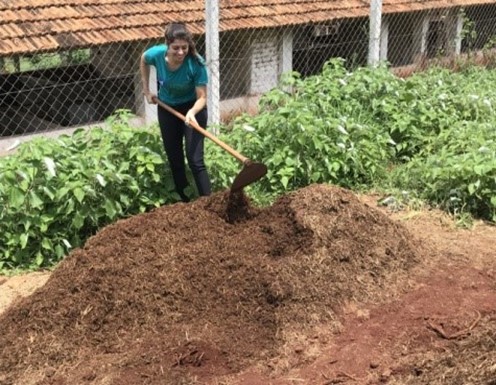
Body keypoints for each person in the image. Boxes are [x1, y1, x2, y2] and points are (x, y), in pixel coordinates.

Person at [140, 22, 211, 202]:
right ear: (167, 45)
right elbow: (143, 59)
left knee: (195, 160)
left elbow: (202, 97)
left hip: (193, 108)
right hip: (167, 108)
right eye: (175, 48)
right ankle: (185, 202)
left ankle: (208, 203)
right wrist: (146, 90)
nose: (180, 53)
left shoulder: (196, 63)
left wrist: (192, 112)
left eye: (184, 48)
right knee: (175, 160)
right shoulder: (156, 54)